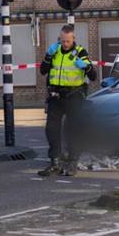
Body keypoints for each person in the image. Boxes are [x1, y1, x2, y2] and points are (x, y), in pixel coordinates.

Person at [39, 24, 96, 176]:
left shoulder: (80, 52)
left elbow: (93, 76)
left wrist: (85, 67)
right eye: (62, 41)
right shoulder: (54, 51)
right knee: (51, 129)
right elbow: (43, 70)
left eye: (67, 41)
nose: (64, 44)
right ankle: (55, 162)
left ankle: (72, 162)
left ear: (73, 39)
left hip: (74, 96)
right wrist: (47, 56)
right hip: (56, 96)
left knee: (73, 130)